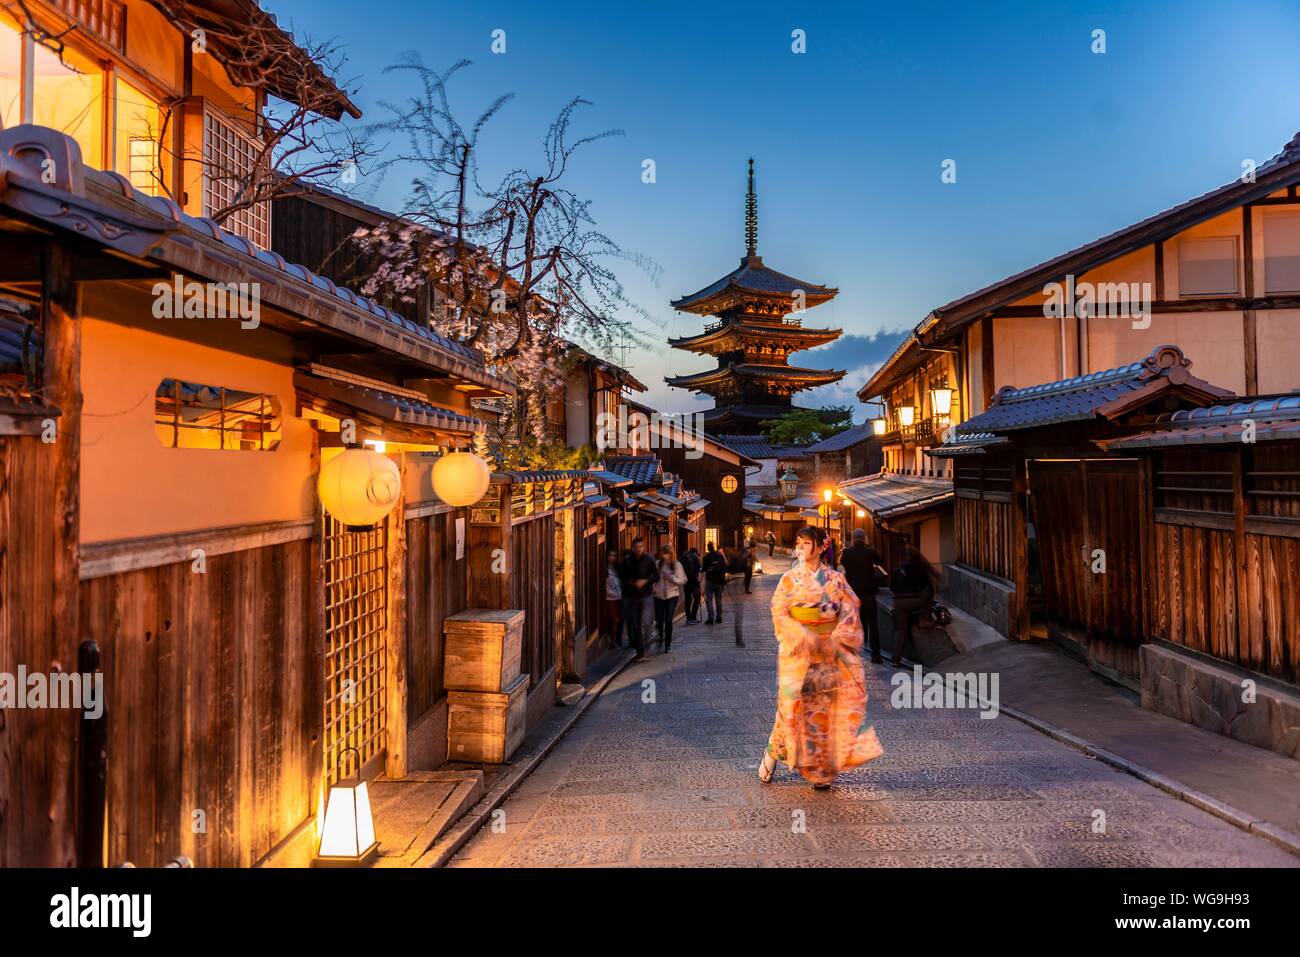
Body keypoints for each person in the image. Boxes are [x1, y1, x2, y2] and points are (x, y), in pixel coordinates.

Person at [759, 525, 884, 789]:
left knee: (823, 712)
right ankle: (772, 753)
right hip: (800, 654)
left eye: (806, 543)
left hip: (829, 654)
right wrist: (802, 636)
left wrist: (835, 639)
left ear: (820, 547)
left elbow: (851, 608)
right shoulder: (789, 580)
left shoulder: (836, 580)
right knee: (791, 710)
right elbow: (779, 612)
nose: (801, 548)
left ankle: (820, 771)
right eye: (799, 543)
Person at [889, 545, 942, 668]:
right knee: (930, 590)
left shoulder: (897, 569)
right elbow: (926, 586)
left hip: (899, 603)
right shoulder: (919, 568)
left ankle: (895, 660)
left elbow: (891, 587)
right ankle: (924, 618)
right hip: (914, 600)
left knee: (900, 630)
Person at [839, 528, 886, 663]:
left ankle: (852, 653)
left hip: (853, 595)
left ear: (853, 539)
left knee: (852, 625)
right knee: (873, 625)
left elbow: (842, 563)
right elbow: (879, 561)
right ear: (864, 538)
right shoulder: (870, 552)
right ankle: (875, 655)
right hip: (868, 594)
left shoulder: (846, 553)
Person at [619, 538, 658, 662]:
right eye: (636, 547)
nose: (638, 549)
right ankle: (640, 652)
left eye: (641, 546)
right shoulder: (627, 561)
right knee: (636, 625)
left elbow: (656, 576)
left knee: (646, 623)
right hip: (632, 597)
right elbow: (623, 578)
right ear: (632, 547)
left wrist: (646, 581)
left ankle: (647, 648)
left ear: (644, 547)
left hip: (646, 595)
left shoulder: (649, 560)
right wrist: (633, 583)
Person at [652, 546, 687, 653]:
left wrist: (671, 578)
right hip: (658, 596)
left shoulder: (676, 565)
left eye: (666, 553)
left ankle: (668, 643)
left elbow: (683, 580)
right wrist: (653, 587)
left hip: (672, 596)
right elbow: (652, 577)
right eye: (662, 553)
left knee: (668, 620)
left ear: (670, 554)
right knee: (659, 619)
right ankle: (660, 635)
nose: (664, 556)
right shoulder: (658, 564)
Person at [702, 542, 727, 625]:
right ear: (714, 547)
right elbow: (724, 568)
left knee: (709, 600)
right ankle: (719, 617)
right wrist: (723, 581)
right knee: (718, 600)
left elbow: (704, 569)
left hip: (710, 581)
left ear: (708, 548)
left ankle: (710, 618)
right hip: (719, 581)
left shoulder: (706, 557)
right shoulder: (720, 556)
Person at [605, 551, 624, 648]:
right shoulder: (605, 570)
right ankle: (612, 642)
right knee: (614, 620)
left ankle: (615, 640)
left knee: (618, 620)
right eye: (610, 555)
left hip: (618, 598)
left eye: (614, 555)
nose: (612, 557)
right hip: (609, 599)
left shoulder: (617, 569)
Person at [681, 546, 702, 623]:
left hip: (686, 582)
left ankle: (688, 618)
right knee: (697, 598)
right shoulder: (695, 557)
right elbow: (699, 568)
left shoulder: (683, 557)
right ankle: (693, 617)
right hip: (694, 582)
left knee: (688, 599)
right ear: (696, 552)